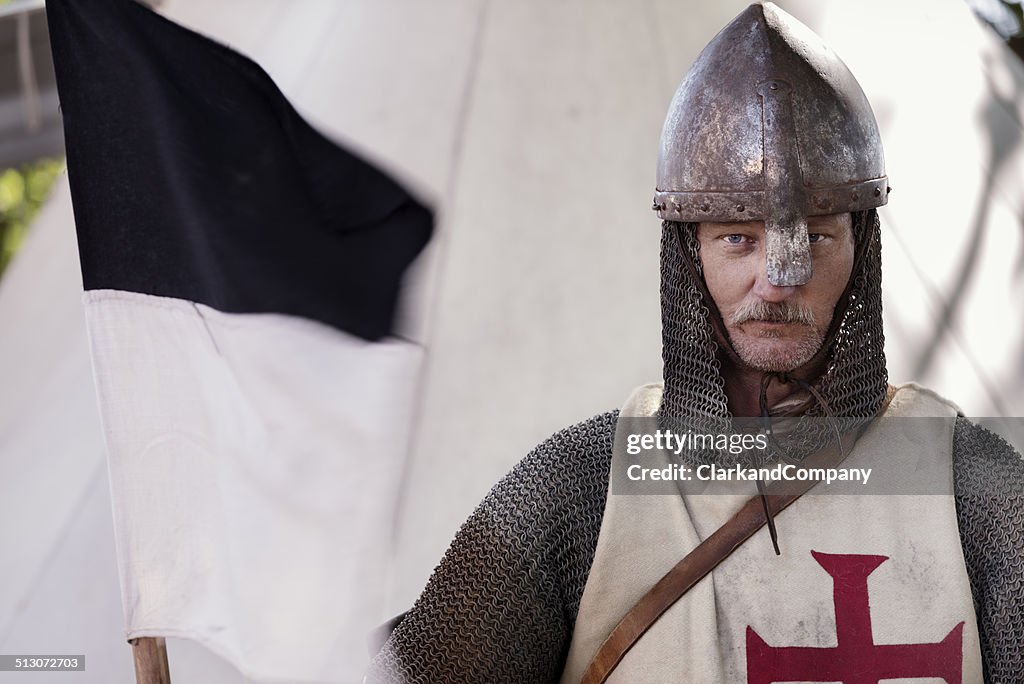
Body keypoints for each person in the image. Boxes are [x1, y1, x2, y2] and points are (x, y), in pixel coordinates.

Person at [366, 3, 1024, 682]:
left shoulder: (971, 488)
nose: (775, 280)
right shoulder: (581, 492)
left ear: (862, 251)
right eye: (737, 237)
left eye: (817, 237)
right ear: (689, 254)